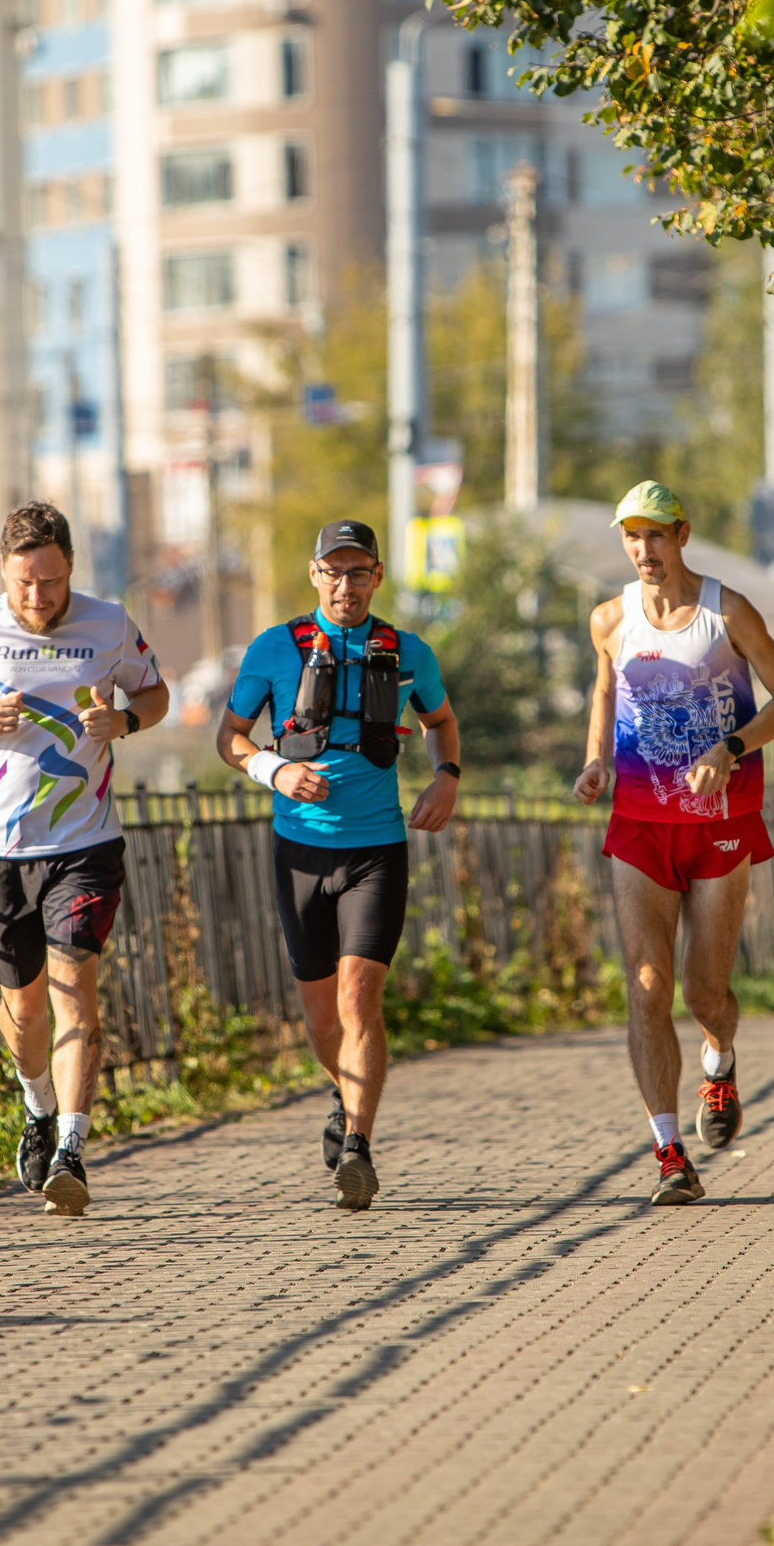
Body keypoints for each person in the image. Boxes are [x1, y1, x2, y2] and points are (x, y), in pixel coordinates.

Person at [0, 503, 169, 1217]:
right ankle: (36, 1106)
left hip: (84, 843)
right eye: (25, 583)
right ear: (4, 571)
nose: (38, 597)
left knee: (73, 985)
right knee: (23, 1010)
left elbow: (156, 690)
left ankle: (73, 1149)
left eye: (51, 582)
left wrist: (125, 720)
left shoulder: (110, 623)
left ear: (71, 569)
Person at [573, 483, 774, 1205]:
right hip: (640, 823)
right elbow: (605, 691)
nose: (644, 551)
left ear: (682, 535)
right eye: (631, 538)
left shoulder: (726, 612)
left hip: (719, 821)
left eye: (656, 536)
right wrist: (596, 759)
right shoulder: (609, 619)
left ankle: (720, 1057)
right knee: (646, 985)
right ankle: (670, 1152)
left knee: (705, 990)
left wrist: (731, 745)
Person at [220, 518, 459, 1210]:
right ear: (314, 573)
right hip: (298, 849)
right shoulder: (273, 648)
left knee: (360, 1001)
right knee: (323, 1020)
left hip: (376, 849)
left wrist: (446, 773)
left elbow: (441, 719)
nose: (346, 584)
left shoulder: (408, 651)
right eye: (334, 570)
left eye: (359, 571)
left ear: (377, 576)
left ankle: (358, 1145)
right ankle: (341, 1089)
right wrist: (273, 770)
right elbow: (229, 737)